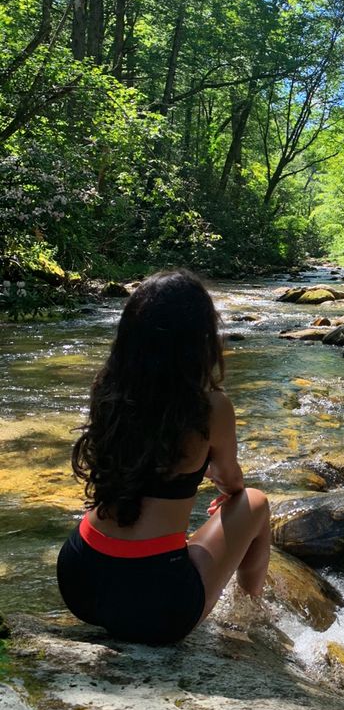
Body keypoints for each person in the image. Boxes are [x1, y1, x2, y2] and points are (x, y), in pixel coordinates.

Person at [56, 269, 270, 645]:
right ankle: (251, 618)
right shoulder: (210, 407)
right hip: (156, 603)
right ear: (199, 340)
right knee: (255, 502)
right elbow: (231, 482)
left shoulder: (107, 388)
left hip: (79, 575)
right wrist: (218, 482)